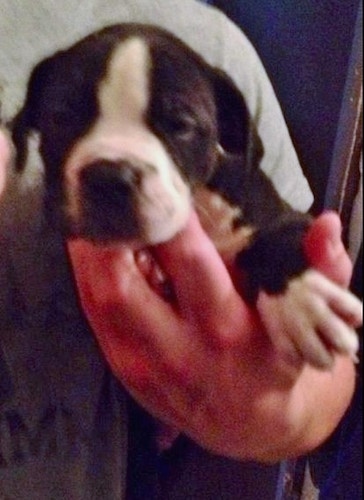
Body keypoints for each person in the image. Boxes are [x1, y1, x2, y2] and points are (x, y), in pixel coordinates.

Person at [0, 1, 359, 498]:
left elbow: (284, 235)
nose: (112, 163)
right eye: (67, 117)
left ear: (231, 139)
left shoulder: (209, 46)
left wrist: (284, 408)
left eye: (176, 125)